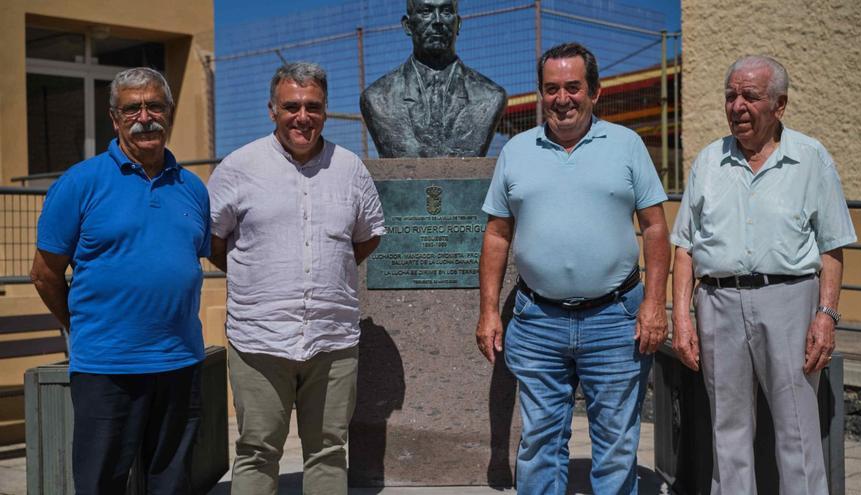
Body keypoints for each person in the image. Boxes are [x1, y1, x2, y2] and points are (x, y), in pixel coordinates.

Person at [476, 42, 670, 494]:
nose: (562, 98)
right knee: (540, 438)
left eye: (572, 87)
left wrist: (655, 305)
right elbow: (497, 235)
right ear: (541, 94)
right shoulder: (517, 151)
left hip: (616, 317)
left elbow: (656, 229)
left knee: (616, 442)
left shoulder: (627, 145)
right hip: (538, 319)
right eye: (551, 89)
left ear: (595, 91)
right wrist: (488, 311)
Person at [670, 55, 856, 495]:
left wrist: (826, 315)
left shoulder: (811, 159)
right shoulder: (708, 161)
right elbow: (684, 247)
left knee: (797, 428)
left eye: (750, 96)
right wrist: (681, 317)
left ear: (780, 105)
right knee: (727, 430)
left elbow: (832, 246)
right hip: (717, 303)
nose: (737, 106)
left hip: (790, 299)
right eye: (731, 96)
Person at [208, 62, 386, 495]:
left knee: (328, 450)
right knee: (256, 451)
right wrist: (263, 275)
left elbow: (366, 238)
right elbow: (214, 242)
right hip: (259, 339)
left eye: (313, 106)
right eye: (291, 106)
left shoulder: (350, 169)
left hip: (333, 338)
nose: (302, 116)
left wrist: (328, 273)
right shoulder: (238, 167)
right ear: (272, 109)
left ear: (325, 110)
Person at [31, 67, 210, 494]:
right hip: (106, 367)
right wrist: (81, 325)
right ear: (115, 119)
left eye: (154, 106)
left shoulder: (192, 187)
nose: (144, 117)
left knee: (171, 483)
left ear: (168, 112)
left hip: (179, 362)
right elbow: (44, 274)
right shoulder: (80, 183)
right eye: (132, 108)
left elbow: (188, 260)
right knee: (100, 484)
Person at [360, 0, 506, 158]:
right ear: (407, 25)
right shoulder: (378, 98)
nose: (437, 21)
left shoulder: (490, 96)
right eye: (426, 12)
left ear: (458, 24)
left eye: (446, 12)